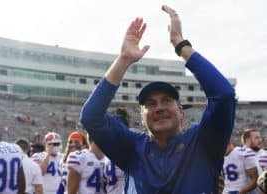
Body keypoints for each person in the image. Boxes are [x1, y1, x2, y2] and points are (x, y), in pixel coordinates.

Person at [80, 4, 236, 194]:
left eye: (167, 100)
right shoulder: (132, 147)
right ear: (142, 117)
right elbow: (90, 117)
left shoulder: (203, 142)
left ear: (181, 112)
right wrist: (123, 60)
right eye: (150, 104)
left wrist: (181, 45)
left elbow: (224, 95)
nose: (159, 108)